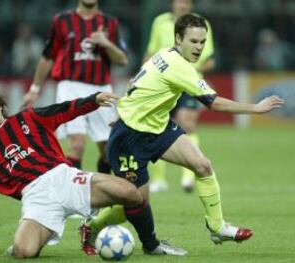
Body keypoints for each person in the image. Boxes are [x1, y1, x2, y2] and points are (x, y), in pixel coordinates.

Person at [81, 14, 284, 256]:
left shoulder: (166, 55)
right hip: (130, 139)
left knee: (202, 166)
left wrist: (126, 109)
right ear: (178, 38)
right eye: (194, 41)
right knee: (135, 202)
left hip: (158, 127)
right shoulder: (179, 67)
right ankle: (93, 227)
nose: (199, 48)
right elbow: (213, 103)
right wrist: (255, 108)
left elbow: (136, 84)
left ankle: (217, 227)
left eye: (202, 42)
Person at [0, 82, 144, 259]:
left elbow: (64, 110)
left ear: (0, 104)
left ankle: (94, 226)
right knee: (23, 251)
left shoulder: (28, 118)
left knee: (131, 194)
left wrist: (93, 100)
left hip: (64, 177)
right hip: (36, 197)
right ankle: (22, 241)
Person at [21, 0, 128, 175]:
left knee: (109, 150)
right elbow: (48, 56)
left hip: (101, 88)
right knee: (76, 144)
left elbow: (122, 60)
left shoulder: (110, 23)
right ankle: (75, 197)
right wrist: (34, 89)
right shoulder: (62, 21)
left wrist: (105, 43)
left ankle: (105, 193)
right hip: (70, 87)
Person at [145, 0, 216, 193]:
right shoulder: (160, 22)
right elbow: (151, 52)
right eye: (179, 1)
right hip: (162, 84)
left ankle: (188, 176)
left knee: (188, 124)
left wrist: (187, 71)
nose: (182, 5)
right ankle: (159, 180)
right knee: (155, 126)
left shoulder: (201, 25)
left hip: (189, 83)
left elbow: (209, 60)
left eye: (186, 1)